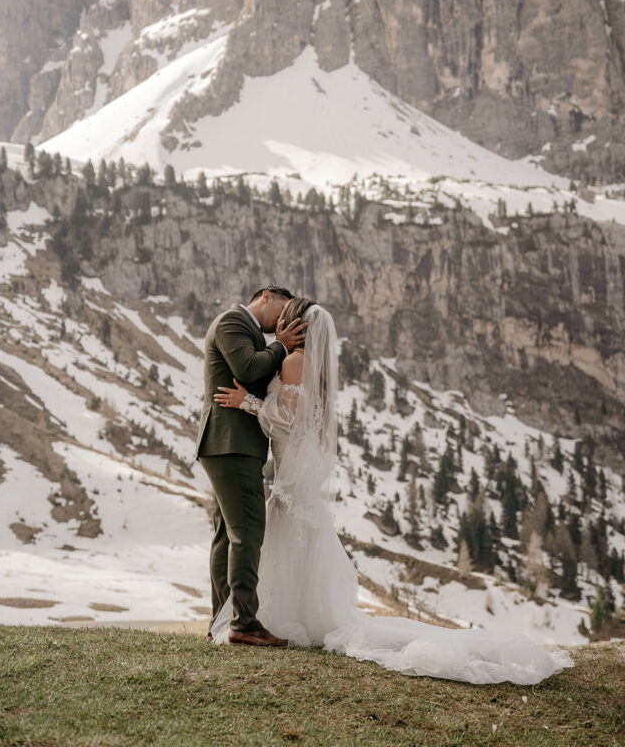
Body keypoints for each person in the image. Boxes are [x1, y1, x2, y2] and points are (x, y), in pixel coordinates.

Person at [213, 298, 574, 684]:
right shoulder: (312, 366)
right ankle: (288, 616)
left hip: (295, 468)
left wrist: (248, 402)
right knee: (294, 533)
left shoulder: (292, 362)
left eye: (287, 318)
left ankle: (276, 619)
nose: (279, 322)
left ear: (296, 326)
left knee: (287, 531)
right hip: (301, 466)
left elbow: (290, 423)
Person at [195, 285, 307, 647]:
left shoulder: (252, 333)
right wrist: (282, 346)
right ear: (266, 295)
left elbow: (256, 377)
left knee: (228, 534)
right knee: (248, 530)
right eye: (282, 310)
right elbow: (246, 367)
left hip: (233, 444)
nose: (283, 322)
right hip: (230, 442)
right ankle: (244, 624)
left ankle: (222, 622)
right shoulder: (232, 322)